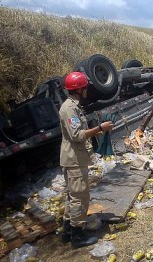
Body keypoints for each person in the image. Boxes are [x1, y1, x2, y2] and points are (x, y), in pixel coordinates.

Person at [59, 71, 114, 248]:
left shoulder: (73, 106)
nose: (87, 90)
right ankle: (77, 237)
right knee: (80, 198)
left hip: (75, 158)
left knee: (73, 196)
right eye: (85, 87)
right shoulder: (69, 108)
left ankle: (67, 233)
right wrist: (100, 128)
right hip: (74, 159)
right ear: (79, 89)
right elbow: (77, 135)